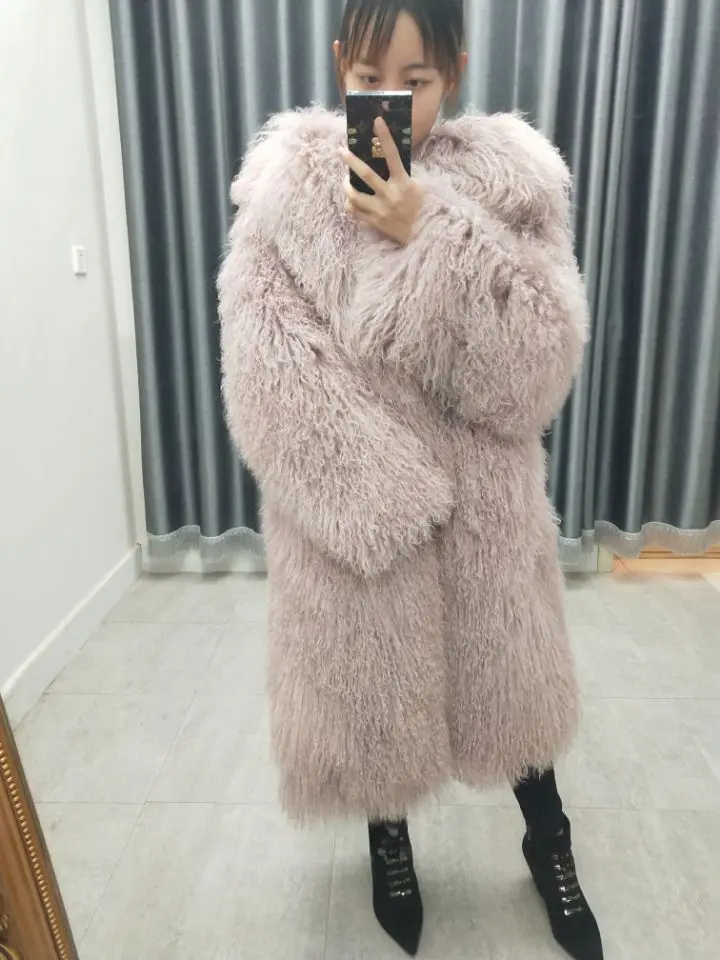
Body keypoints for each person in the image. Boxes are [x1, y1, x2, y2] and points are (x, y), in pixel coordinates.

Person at [218, 1, 603, 957]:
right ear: (339, 65)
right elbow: (268, 374)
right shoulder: (287, 196)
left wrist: (429, 229)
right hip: (359, 531)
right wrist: (384, 501)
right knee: (374, 702)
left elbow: (537, 372)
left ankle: (549, 839)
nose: (391, 101)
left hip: (486, 520)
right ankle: (389, 845)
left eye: (416, 81)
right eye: (369, 79)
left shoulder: (515, 184)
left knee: (513, 696)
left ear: (455, 73)